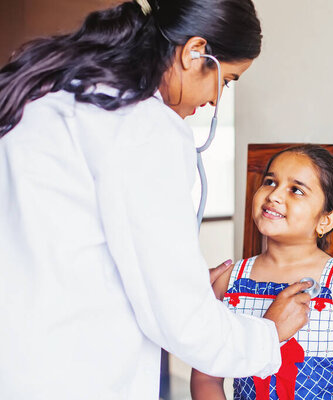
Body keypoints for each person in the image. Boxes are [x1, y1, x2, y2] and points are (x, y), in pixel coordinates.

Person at [0, 0, 312, 398]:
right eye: (227, 79)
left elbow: (67, 252)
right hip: (71, 374)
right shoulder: (144, 129)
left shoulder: (59, 98)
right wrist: (269, 335)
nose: (218, 100)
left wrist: (174, 280)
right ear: (194, 52)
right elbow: (180, 322)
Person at [191, 145, 333, 400]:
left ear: (325, 221)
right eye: (270, 182)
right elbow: (206, 378)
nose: (274, 195)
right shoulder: (228, 282)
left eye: (296, 190)